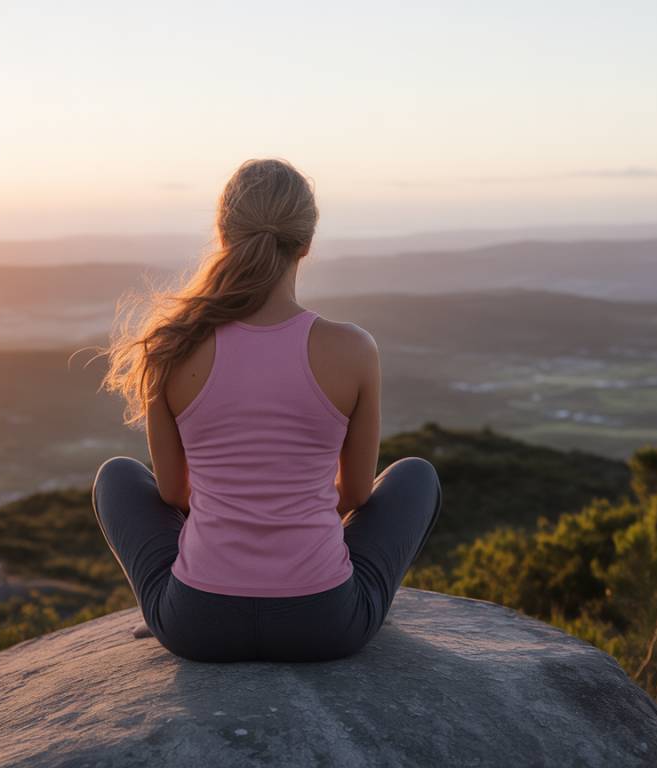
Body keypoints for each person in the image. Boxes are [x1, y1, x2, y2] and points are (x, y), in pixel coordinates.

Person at [81, 157, 442, 663]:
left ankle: (171, 600)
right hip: (325, 625)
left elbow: (172, 493)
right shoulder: (354, 349)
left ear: (223, 236)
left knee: (117, 477)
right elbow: (359, 494)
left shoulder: (171, 348)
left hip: (197, 625)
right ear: (306, 243)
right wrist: (292, 516)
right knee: (416, 477)